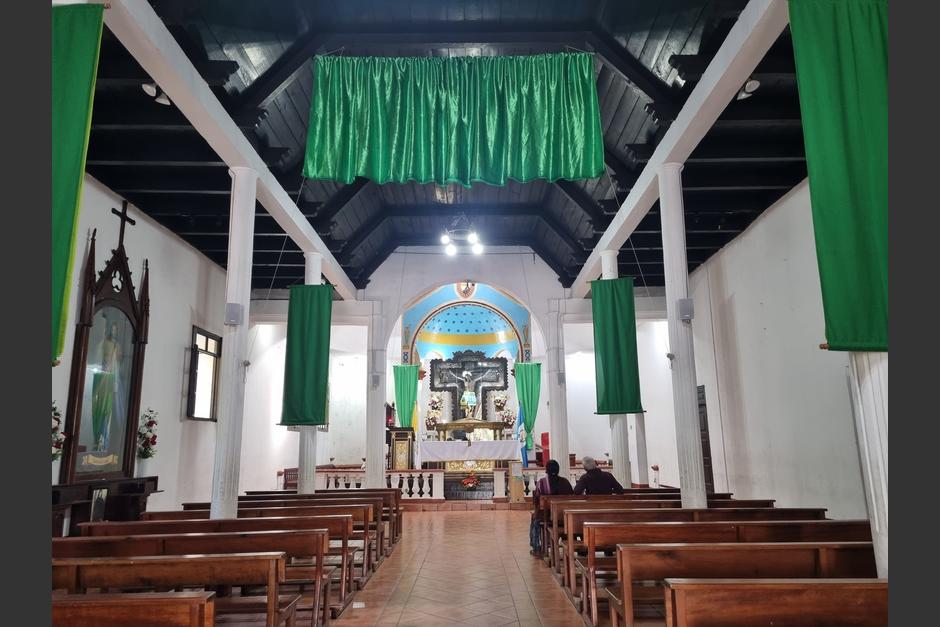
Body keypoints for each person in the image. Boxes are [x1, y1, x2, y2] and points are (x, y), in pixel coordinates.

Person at [529, 459, 573, 555]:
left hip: (547, 516)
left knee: (535, 520)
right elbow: (572, 497)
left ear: (546, 470)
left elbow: (536, 499)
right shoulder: (565, 482)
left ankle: (536, 547)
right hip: (564, 516)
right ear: (558, 469)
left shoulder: (542, 482)